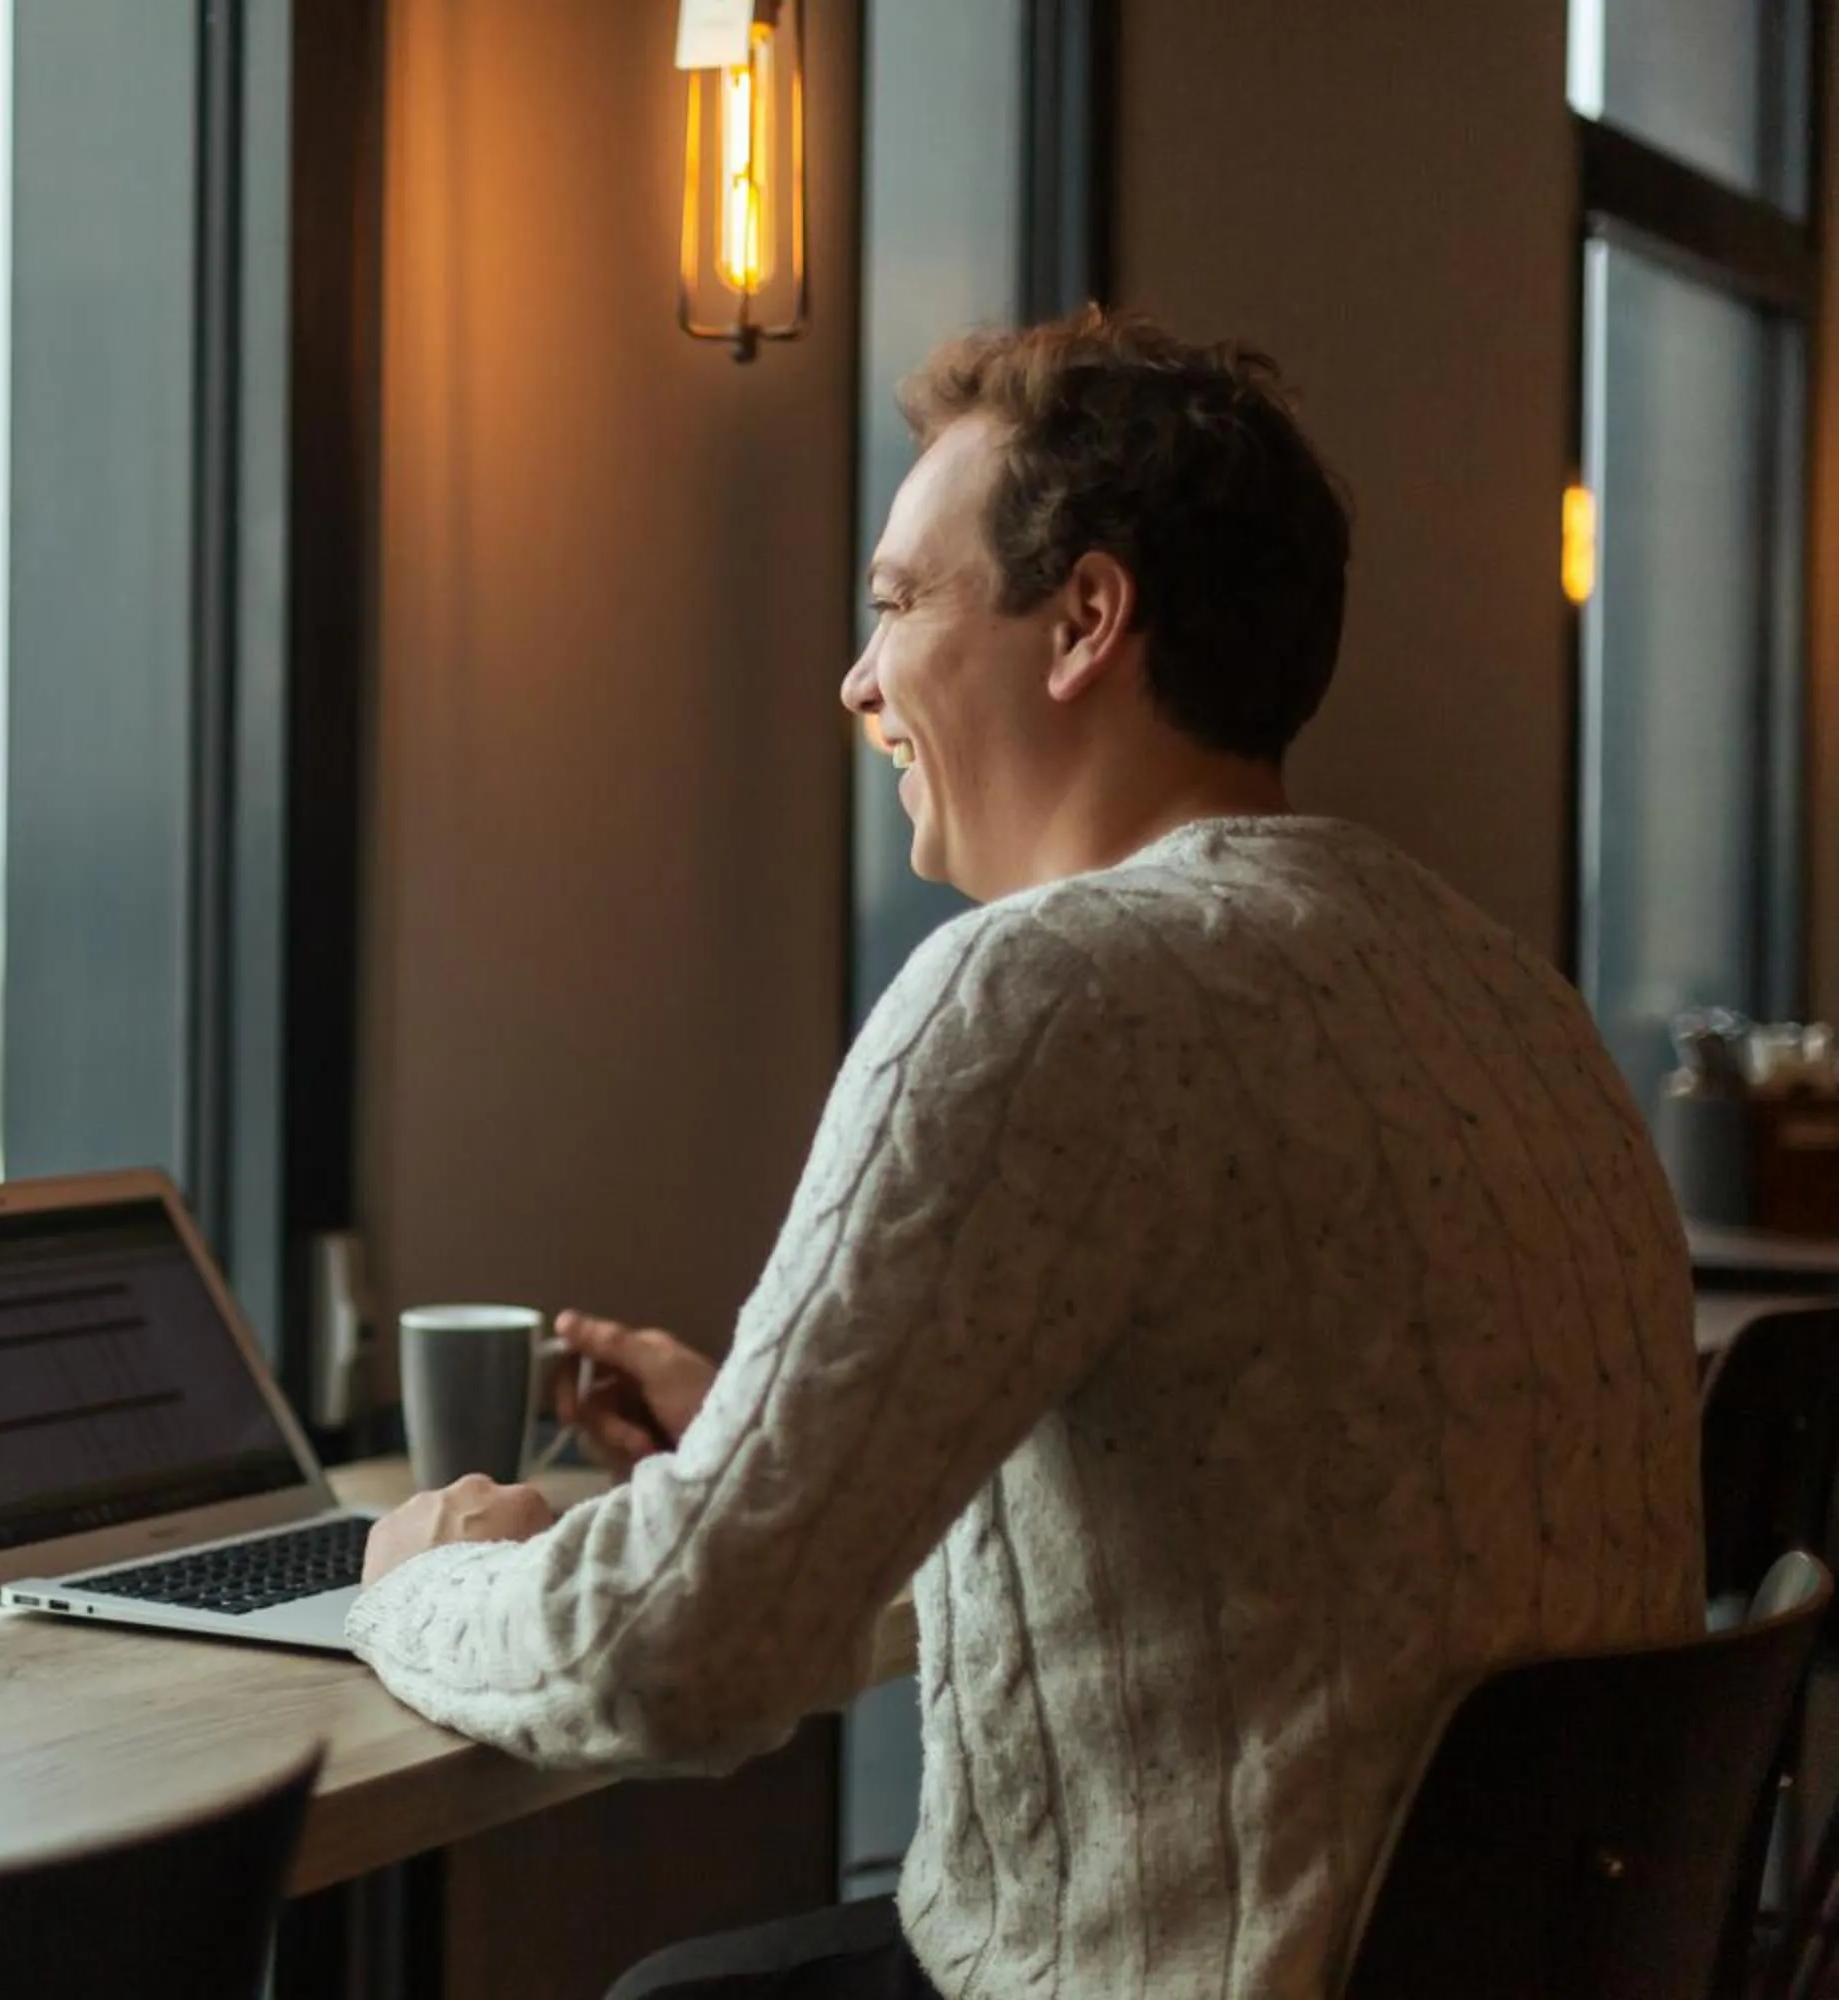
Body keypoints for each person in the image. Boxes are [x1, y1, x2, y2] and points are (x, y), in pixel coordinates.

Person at [347, 310, 1704, 2000]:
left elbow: (677, 1659)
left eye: (900, 603)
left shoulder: (1049, 986)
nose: (858, 681)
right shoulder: (1508, 996)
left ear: (1085, 621)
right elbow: (1262, 1542)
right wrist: (788, 1451)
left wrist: (412, 1585)